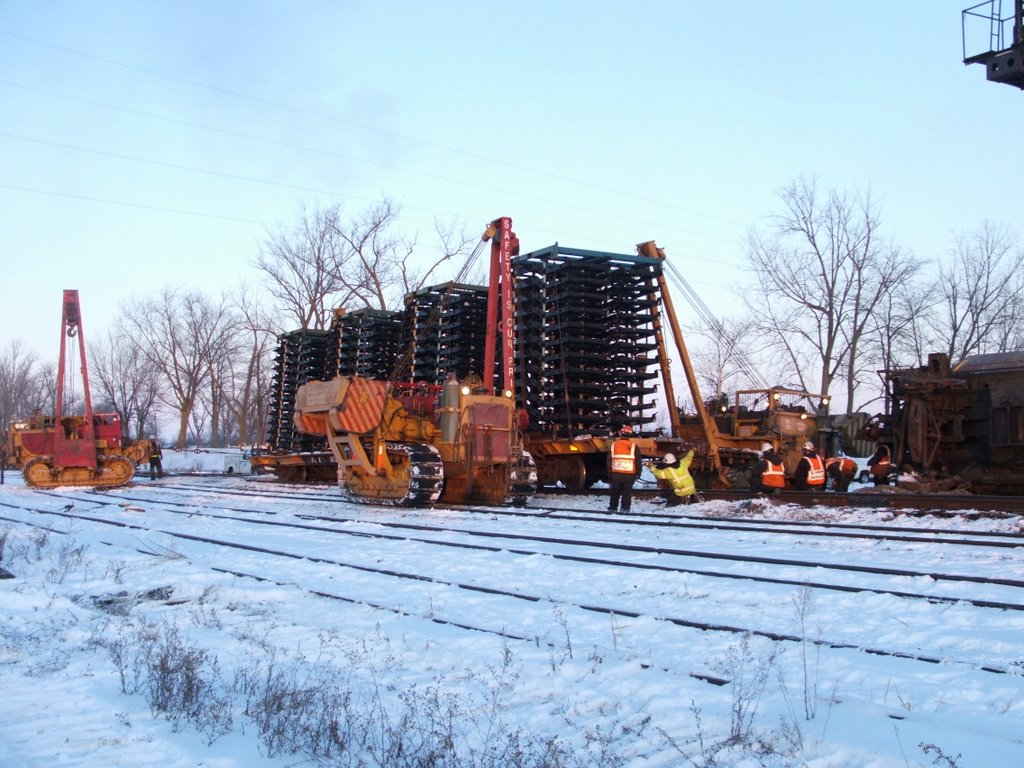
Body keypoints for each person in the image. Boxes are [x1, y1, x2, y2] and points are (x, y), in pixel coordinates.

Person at [606, 425, 641, 512]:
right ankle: (625, 508)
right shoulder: (633, 446)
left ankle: (612, 508)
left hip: (616, 473)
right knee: (627, 492)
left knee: (615, 491)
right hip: (629, 474)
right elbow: (638, 461)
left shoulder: (614, 445)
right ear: (630, 435)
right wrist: (638, 473)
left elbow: (609, 460)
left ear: (621, 433)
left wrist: (609, 472)